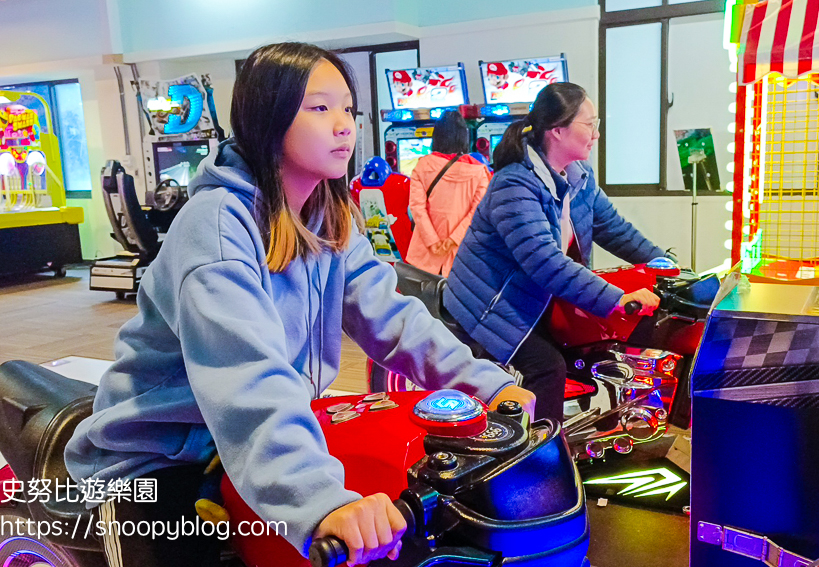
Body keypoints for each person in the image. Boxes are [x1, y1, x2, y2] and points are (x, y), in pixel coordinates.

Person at [64, 42, 534, 567]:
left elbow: (393, 318)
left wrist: (488, 384)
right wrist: (319, 501)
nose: (343, 126)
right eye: (319, 108)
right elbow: (246, 376)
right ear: (267, 116)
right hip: (155, 459)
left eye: (348, 110)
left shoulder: (327, 212)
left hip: (242, 440)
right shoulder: (218, 224)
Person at [443, 82, 667, 423]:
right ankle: (541, 464)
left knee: (599, 347)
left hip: (534, 297)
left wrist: (665, 264)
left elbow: (615, 229)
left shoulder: (580, 177)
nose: (596, 134)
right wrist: (616, 298)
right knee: (548, 367)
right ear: (558, 130)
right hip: (491, 303)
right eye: (590, 124)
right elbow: (546, 263)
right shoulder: (514, 185)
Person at [405, 110, 489, 276]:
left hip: (424, 257)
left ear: (437, 136)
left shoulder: (422, 166)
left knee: (424, 301)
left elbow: (417, 209)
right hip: (463, 256)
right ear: (464, 137)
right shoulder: (480, 172)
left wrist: (433, 242)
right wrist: (453, 240)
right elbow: (476, 214)